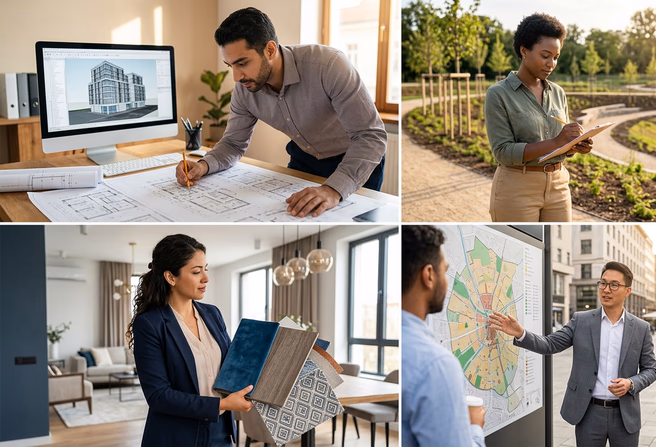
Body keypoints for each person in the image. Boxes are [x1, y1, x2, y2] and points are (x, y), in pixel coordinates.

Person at [176, 7, 387, 218]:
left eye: (243, 63)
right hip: (304, 159)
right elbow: (232, 144)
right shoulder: (245, 89)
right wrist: (203, 166)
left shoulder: (329, 65)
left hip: (356, 160)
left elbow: (370, 137)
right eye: (230, 65)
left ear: (269, 50)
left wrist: (334, 189)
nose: (236, 77)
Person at [489, 261, 656, 446]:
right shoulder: (581, 321)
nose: (606, 289)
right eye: (603, 283)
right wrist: (521, 333)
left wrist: (631, 383)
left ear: (627, 291)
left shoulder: (641, 328)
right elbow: (550, 344)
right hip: (589, 412)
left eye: (614, 284)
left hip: (625, 416)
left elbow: (650, 370)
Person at [127, 235, 253, 447]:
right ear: (171, 277)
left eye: (206, 268)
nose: (206, 278)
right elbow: (159, 396)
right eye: (196, 272)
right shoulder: (150, 324)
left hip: (221, 432)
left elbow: (232, 367)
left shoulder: (213, 314)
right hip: (176, 437)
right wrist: (220, 404)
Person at [484, 13, 593, 222]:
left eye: (556, 57)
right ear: (524, 51)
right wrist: (556, 141)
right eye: (545, 55)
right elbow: (503, 152)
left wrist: (574, 145)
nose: (551, 63)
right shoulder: (498, 94)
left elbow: (561, 143)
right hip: (516, 188)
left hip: (559, 186)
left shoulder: (558, 93)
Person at [401, 225, 486, 447]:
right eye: (445, 271)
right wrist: (475, 428)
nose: (447, 282)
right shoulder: (436, 365)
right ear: (429, 275)